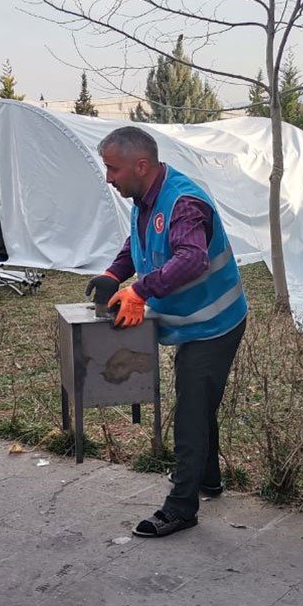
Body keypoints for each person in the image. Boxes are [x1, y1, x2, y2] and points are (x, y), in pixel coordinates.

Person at [85, 126, 247, 538]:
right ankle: (207, 479)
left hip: (214, 324)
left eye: (113, 169)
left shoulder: (184, 203)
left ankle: (181, 507)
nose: (108, 178)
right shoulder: (146, 196)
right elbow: (139, 241)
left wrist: (139, 290)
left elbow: (191, 259)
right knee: (200, 400)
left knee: (192, 405)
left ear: (141, 165)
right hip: (190, 322)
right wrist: (113, 273)